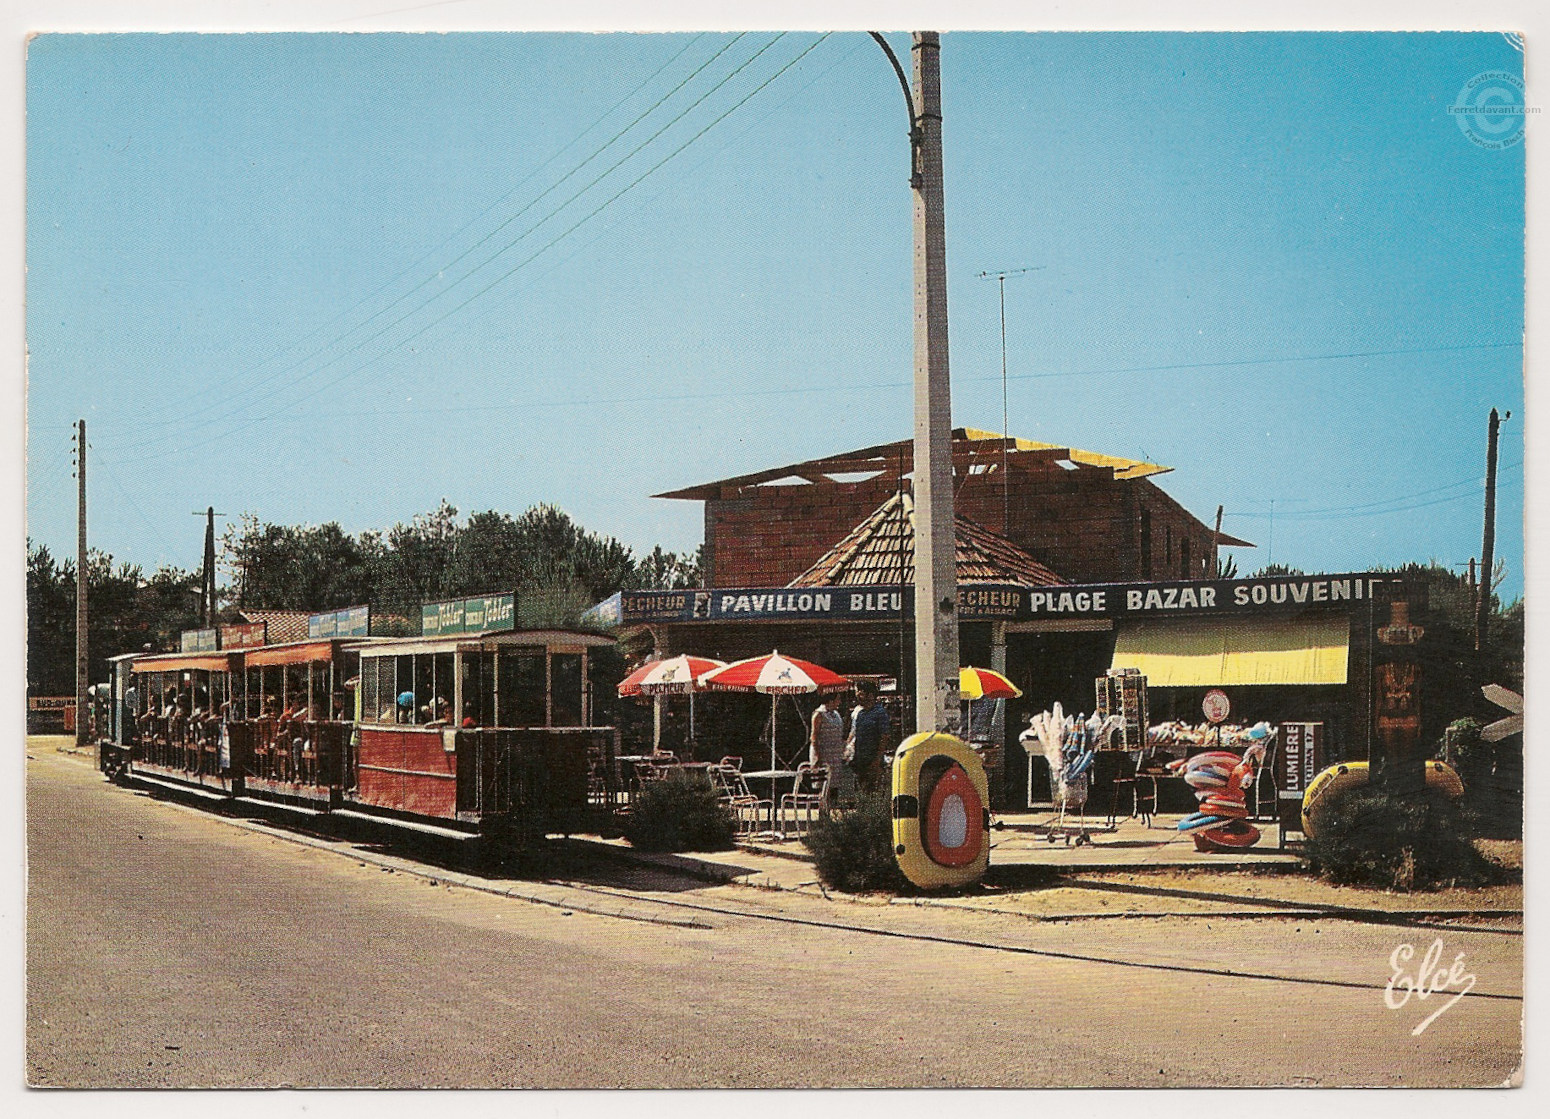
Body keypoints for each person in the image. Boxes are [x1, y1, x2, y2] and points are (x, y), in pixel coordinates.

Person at [809, 693, 852, 805]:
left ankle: (831, 812)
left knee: (833, 786)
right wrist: (818, 756)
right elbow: (814, 737)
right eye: (838, 699)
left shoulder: (836, 714)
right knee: (823, 786)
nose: (840, 702)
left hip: (834, 754)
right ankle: (823, 815)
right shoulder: (819, 714)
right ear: (830, 700)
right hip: (823, 754)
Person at [849, 681, 891, 795]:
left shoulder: (880, 713)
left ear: (870, 695)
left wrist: (877, 759)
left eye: (860, 692)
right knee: (861, 792)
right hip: (860, 761)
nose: (857, 695)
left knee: (873, 792)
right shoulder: (860, 714)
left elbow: (884, 737)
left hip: (873, 761)